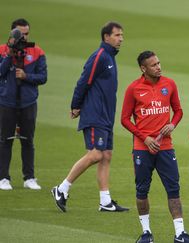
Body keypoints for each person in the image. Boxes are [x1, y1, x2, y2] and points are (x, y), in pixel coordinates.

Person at [51, 21, 128, 213]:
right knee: (96, 154)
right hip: (95, 115)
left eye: (121, 35)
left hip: (106, 116)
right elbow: (83, 81)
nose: (121, 39)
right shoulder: (100, 56)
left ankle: (105, 201)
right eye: (117, 35)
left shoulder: (110, 57)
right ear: (106, 37)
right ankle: (62, 189)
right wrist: (75, 105)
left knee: (106, 156)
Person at [121, 50, 189, 243]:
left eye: (159, 63)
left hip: (165, 147)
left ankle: (180, 233)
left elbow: (178, 110)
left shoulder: (169, 84)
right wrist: (144, 138)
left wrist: (173, 124)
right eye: (154, 65)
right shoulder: (133, 88)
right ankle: (146, 233)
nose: (159, 67)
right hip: (142, 148)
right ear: (143, 68)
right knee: (142, 190)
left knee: (173, 189)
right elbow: (124, 119)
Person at [0, 18, 47, 190]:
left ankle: (29, 178)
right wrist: (10, 54)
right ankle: (3, 177)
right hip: (7, 102)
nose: (24, 38)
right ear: (12, 34)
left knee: (28, 140)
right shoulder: (2, 50)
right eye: (20, 34)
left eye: (26, 34)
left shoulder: (37, 52)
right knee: (5, 140)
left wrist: (26, 76)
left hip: (28, 102)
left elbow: (43, 77)